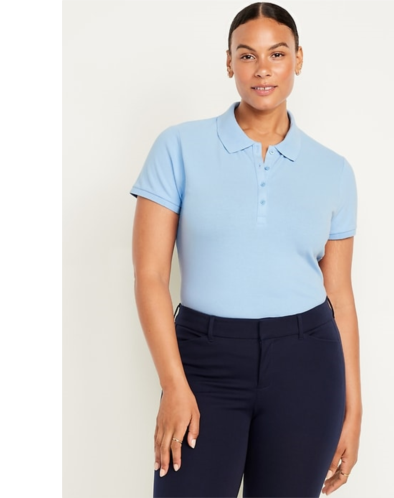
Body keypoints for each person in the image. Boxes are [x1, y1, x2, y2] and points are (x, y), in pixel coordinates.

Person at [130, 2, 362, 497]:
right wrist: (173, 384)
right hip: (203, 361)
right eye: (247, 55)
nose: (262, 69)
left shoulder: (333, 170)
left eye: (277, 54)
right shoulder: (178, 147)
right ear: (229, 62)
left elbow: (339, 296)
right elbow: (150, 275)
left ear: (298, 59)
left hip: (307, 363)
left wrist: (353, 407)